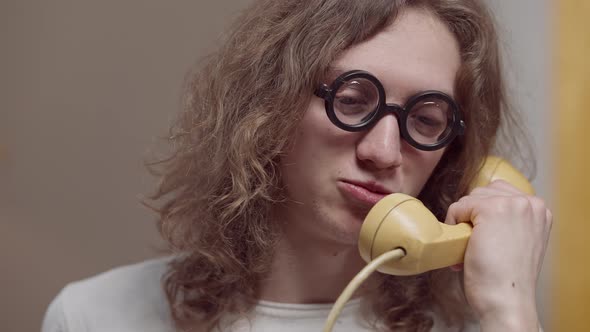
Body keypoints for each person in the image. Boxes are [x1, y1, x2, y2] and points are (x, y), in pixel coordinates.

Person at [42, 0, 552, 331]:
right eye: (353, 100)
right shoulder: (95, 316)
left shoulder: (479, 323)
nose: (384, 151)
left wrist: (508, 313)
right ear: (270, 108)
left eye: (425, 118)